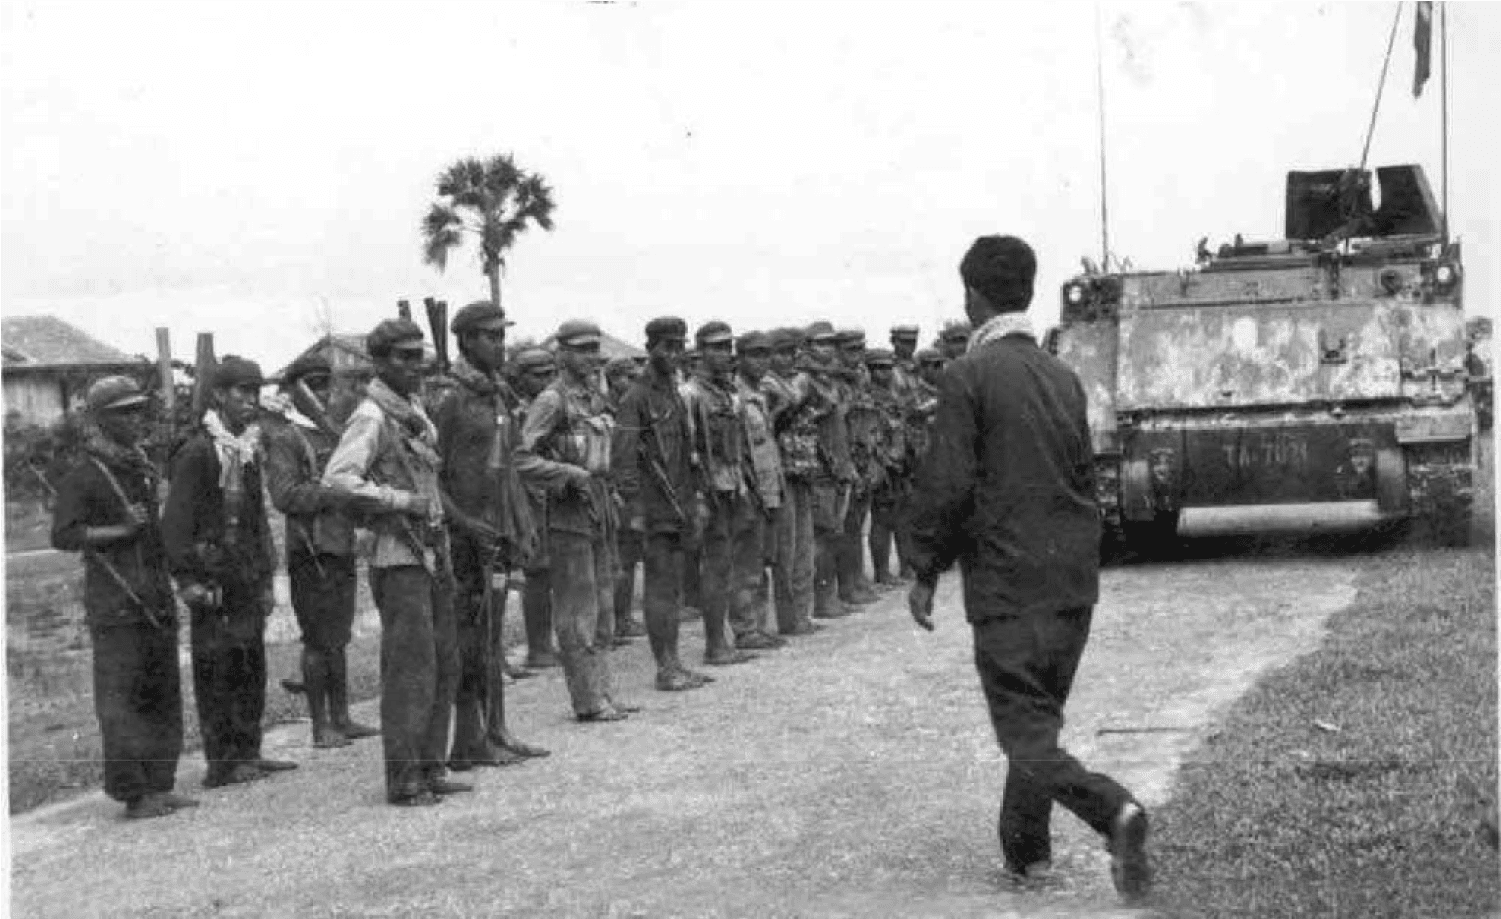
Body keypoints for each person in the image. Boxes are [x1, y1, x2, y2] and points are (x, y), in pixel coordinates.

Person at [906, 235, 1150, 901]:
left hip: (1008, 587)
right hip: (1070, 583)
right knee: (1037, 720)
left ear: (971, 297)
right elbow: (1081, 478)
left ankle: (1115, 812)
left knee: (1023, 727)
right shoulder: (1064, 377)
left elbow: (948, 483)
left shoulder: (965, 377)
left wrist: (923, 566)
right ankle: (1027, 853)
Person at [323, 319, 469, 806]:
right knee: (410, 668)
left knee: (444, 660)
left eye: (417, 355)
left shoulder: (414, 413)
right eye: (403, 357)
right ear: (380, 363)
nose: (414, 365)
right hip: (397, 553)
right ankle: (404, 776)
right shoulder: (371, 416)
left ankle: (431, 765)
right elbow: (339, 481)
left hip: (433, 549)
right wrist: (398, 500)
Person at [50, 376, 198, 819]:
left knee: (162, 692)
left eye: (138, 410)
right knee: (121, 700)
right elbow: (64, 535)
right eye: (124, 413)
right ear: (99, 420)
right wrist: (121, 530)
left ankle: (160, 783)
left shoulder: (140, 467)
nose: (136, 420)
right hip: (115, 603)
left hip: (153, 596)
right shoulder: (84, 475)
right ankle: (133, 792)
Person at [163, 356, 299, 789]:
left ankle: (250, 752)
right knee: (217, 668)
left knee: (250, 664)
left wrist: (265, 578)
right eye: (241, 391)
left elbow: (257, 518)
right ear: (219, 395)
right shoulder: (199, 451)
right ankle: (222, 763)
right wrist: (189, 581)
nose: (250, 400)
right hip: (212, 580)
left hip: (245, 576)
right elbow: (176, 525)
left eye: (255, 392)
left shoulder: (245, 447)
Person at [431, 302, 550, 770]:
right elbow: (431, 476)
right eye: (491, 337)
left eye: (503, 336)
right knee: (469, 639)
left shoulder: (496, 395)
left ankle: (495, 729)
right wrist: (464, 523)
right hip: (463, 539)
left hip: (497, 533)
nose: (500, 345)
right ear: (466, 341)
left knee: (492, 637)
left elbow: (511, 466)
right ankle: (466, 741)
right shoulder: (448, 399)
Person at [517, 320, 638, 721]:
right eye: (582, 349)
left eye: (594, 349)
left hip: (600, 505)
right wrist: (568, 475)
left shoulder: (594, 397)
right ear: (562, 353)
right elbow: (523, 458)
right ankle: (586, 699)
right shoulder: (552, 400)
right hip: (568, 511)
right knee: (578, 609)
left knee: (604, 605)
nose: (590, 356)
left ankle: (603, 692)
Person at [262, 354, 380, 749]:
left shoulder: (335, 433)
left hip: (340, 544)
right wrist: (333, 492)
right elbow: (284, 496)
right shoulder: (287, 438)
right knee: (316, 640)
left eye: (327, 384)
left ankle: (342, 717)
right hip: (310, 550)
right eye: (314, 385)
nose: (324, 392)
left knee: (339, 636)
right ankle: (320, 725)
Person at [611, 316, 714, 691]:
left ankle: (674, 662)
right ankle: (665, 668)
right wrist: (635, 512)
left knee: (671, 588)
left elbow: (690, 452)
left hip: (679, 504)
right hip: (653, 510)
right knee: (659, 587)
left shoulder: (674, 393)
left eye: (679, 346)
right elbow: (622, 462)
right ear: (650, 347)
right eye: (666, 347)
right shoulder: (634, 398)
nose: (674, 354)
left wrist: (697, 498)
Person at [681, 321, 768, 663]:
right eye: (714, 347)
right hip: (709, 489)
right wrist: (698, 497)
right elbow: (687, 451)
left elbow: (741, 446)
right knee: (715, 567)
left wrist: (747, 486)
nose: (722, 354)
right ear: (700, 351)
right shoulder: (690, 394)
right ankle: (715, 645)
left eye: (725, 347)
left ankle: (728, 638)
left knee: (730, 563)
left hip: (734, 486)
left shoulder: (729, 393)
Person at [796, 321, 858, 620]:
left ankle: (829, 596)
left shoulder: (831, 381)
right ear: (808, 347)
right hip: (819, 468)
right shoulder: (804, 382)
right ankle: (822, 600)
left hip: (838, 465)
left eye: (831, 344)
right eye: (820, 344)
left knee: (834, 533)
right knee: (823, 536)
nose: (827, 349)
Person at [733, 330, 788, 650]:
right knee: (746, 562)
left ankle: (758, 624)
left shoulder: (760, 394)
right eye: (755, 354)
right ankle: (745, 627)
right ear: (739, 358)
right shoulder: (736, 396)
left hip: (770, 484)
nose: (762, 361)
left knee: (763, 559)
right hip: (749, 488)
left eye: (766, 354)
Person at [762, 327, 819, 635]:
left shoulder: (796, 379)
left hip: (802, 469)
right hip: (781, 472)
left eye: (792, 352)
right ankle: (790, 618)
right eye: (782, 353)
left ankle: (802, 614)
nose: (789, 358)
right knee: (787, 549)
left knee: (803, 546)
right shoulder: (768, 384)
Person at [510, 347, 561, 670]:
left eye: (548, 374)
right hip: (524, 498)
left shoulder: (549, 406)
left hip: (549, 494)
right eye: (536, 375)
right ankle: (538, 647)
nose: (544, 381)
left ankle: (545, 643)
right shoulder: (514, 412)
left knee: (549, 570)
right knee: (536, 572)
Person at [604, 356, 648, 644]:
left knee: (629, 555)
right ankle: (615, 621)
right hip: (613, 489)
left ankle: (623, 618)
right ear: (613, 379)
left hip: (632, 487)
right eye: (627, 377)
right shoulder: (605, 409)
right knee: (617, 558)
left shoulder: (630, 407)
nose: (632, 383)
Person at [834, 328, 879, 607]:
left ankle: (856, 579)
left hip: (864, 457)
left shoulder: (860, 379)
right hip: (844, 458)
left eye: (859, 349)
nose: (856, 355)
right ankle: (846, 586)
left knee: (857, 524)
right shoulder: (836, 382)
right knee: (845, 527)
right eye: (850, 349)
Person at [863, 348, 909, 587]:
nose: (884, 372)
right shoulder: (869, 397)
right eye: (878, 368)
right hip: (881, 464)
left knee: (897, 517)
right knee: (881, 520)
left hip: (898, 463)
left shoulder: (892, 395)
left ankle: (893, 570)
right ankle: (881, 571)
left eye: (887, 367)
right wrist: (884, 460)